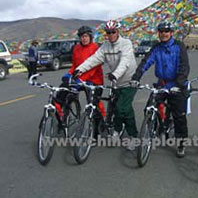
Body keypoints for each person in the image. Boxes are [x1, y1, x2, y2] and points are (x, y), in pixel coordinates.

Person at [74, 20, 138, 150]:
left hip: (129, 81)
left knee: (123, 108)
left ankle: (133, 136)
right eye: (108, 32)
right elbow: (94, 59)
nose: (111, 34)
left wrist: (115, 74)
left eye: (113, 32)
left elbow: (125, 61)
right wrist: (79, 69)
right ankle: (116, 130)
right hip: (116, 82)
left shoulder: (126, 43)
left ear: (118, 32)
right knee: (115, 108)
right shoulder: (105, 46)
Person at [131, 21, 190, 158]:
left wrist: (180, 84)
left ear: (171, 33)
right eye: (161, 31)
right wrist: (136, 77)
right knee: (149, 108)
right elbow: (146, 62)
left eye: (166, 31)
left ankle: (181, 143)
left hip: (177, 85)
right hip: (162, 84)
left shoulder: (179, 46)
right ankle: (155, 128)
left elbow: (184, 66)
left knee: (179, 116)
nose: (164, 34)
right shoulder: (156, 47)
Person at [59, 26, 106, 126]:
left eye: (86, 36)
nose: (84, 39)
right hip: (79, 79)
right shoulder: (76, 48)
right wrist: (68, 74)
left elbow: (94, 68)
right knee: (63, 92)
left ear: (90, 37)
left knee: (94, 103)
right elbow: (75, 65)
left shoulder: (95, 48)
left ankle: (101, 121)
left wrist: (80, 78)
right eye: (82, 36)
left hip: (94, 80)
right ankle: (62, 115)